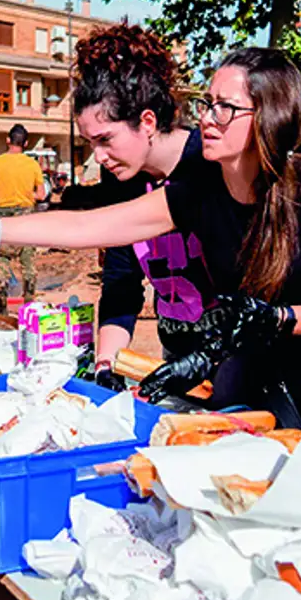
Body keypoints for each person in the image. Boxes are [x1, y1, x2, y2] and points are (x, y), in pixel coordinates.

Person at [0, 47, 301, 427]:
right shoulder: (199, 193)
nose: (207, 120)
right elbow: (88, 226)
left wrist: (278, 318)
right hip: (291, 395)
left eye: (224, 108)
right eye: (208, 104)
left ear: (268, 116)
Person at [56, 22, 216, 392]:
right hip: (175, 355)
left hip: (240, 362)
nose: (99, 156)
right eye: (89, 143)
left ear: (147, 121)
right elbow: (121, 283)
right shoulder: (122, 180)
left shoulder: (209, 166)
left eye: (106, 140)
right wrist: (106, 364)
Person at [0, 123, 46, 314]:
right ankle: (28, 307)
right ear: (26, 143)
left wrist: (1, 194)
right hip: (25, 218)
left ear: (8, 140)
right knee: (28, 264)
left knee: (1, 262)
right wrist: (25, 196)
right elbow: (41, 195)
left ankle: (2, 309)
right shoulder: (33, 164)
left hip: (2, 219)